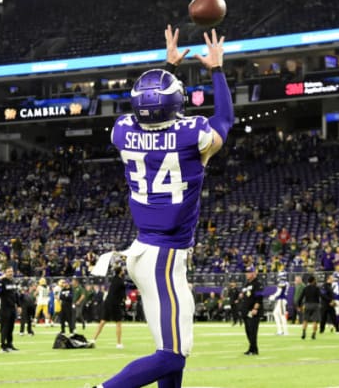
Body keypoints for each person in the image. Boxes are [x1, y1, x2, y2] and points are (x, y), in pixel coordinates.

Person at [90, 23, 233, 388]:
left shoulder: (121, 130)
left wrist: (167, 68)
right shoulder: (193, 136)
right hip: (164, 257)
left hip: (144, 248)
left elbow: (150, 113)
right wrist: (216, 69)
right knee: (172, 354)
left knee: (169, 353)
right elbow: (225, 119)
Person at [91, 266, 126, 349]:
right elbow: (123, 295)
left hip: (107, 302)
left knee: (102, 321)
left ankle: (93, 339)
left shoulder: (113, 279)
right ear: (120, 272)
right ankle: (119, 343)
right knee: (118, 323)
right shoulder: (121, 282)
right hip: (115, 303)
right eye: (123, 270)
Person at [241, 264, 263, 355]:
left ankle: (254, 349)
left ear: (254, 273)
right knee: (248, 330)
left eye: (249, 272)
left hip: (253, 311)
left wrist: (255, 308)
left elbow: (259, 298)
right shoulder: (247, 283)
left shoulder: (257, 283)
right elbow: (245, 294)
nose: (247, 274)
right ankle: (252, 348)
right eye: (246, 272)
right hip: (246, 311)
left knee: (253, 330)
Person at [0, 266, 20, 352]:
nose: (10, 273)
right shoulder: (2, 281)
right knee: (4, 327)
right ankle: (3, 345)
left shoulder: (13, 281)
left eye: (11, 271)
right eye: (8, 271)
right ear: (5, 272)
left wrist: (19, 305)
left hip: (12, 307)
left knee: (11, 327)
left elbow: (16, 294)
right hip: (5, 307)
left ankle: (10, 344)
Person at [297, 275, 321, 340]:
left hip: (307, 305)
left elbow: (300, 298)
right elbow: (321, 296)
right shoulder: (317, 288)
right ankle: (313, 334)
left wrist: (299, 306)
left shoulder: (305, 288)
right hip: (315, 305)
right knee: (315, 321)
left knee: (305, 320)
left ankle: (304, 333)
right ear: (313, 281)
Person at [270, 271, 289, 335]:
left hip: (281, 299)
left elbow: (279, 291)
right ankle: (280, 331)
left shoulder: (282, 282)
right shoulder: (286, 283)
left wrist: (273, 296)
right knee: (275, 313)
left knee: (282, 315)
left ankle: (285, 331)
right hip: (281, 300)